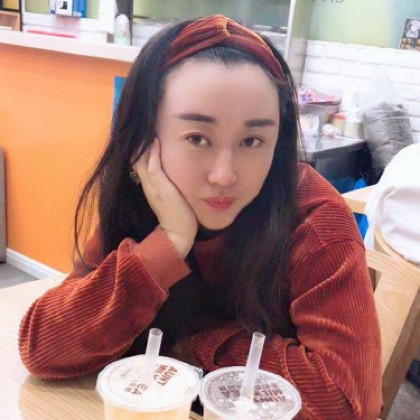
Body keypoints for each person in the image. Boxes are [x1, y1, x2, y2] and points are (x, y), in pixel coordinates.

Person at [19, 15, 382, 419]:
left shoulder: (316, 222)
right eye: (197, 138)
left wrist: (194, 341)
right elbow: (43, 348)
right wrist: (169, 242)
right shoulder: (140, 200)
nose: (224, 175)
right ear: (145, 143)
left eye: (252, 141)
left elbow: (346, 402)